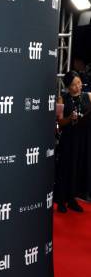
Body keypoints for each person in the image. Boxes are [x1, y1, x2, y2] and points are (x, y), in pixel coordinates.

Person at [54, 70, 91, 213]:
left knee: (78, 168)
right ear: (68, 86)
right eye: (75, 84)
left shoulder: (87, 96)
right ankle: (62, 200)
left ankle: (72, 199)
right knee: (66, 169)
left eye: (79, 83)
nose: (78, 86)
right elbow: (60, 123)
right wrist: (70, 118)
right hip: (69, 140)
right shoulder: (62, 99)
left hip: (84, 139)